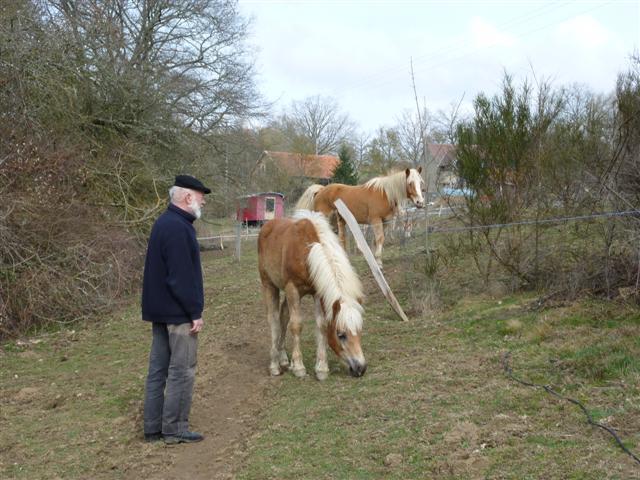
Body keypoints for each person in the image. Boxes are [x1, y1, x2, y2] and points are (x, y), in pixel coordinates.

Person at [141, 174, 211, 444]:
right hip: (178, 315)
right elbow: (180, 277)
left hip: (160, 312)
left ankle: (152, 428)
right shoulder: (179, 228)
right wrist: (194, 311)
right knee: (182, 370)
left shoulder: (164, 223)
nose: (203, 200)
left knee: (158, 371)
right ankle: (175, 428)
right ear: (187, 197)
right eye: (200, 195)